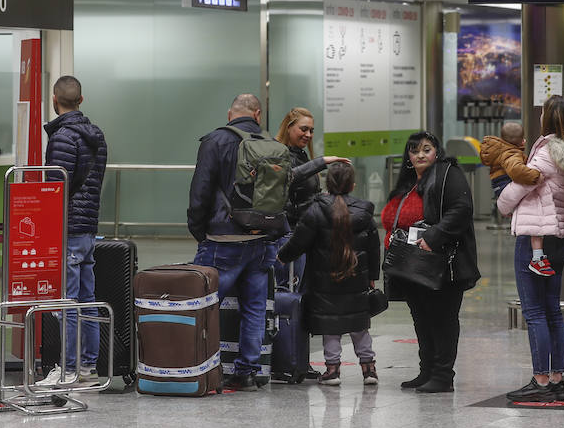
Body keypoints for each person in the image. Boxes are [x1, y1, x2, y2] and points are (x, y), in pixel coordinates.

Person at [498, 96, 564, 403]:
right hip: (559, 239)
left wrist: (502, 201)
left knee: (534, 312)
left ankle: (541, 381)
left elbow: (515, 192)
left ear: (550, 118)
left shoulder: (547, 152)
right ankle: (557, 379)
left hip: (536, 239)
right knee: (552, 310)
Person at [187, 93, 281, 392]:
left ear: (231, 114)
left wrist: (199, 229)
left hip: (222, 237)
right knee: (254, 307)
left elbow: (200, 190)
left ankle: (197, 367)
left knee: (203, 304)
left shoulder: (215, 141)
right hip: (261, 237)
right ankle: (247, 370)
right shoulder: (272, 145)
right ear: (258, 115)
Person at [380, 131, 480, 393]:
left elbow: (461, 209)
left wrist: (434, 237)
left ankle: (443, 375)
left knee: (442, 319)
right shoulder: (409, 181)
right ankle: (426, 371)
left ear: (437, 152)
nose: (421, 155)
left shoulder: (448, 173)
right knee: (422, 318)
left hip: (443, 264)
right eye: (415, 151)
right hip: (413, 265)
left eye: (426, 149)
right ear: (408, 157)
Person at [276, 161, 380, 387]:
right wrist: (372, 274)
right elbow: (373, 247)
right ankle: (369, 368)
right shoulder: (364, 213)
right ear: (353, 185)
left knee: (330, 326)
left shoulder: (315, 210)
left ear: (326, 184)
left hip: (325, 281)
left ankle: (332, 370)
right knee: (359, 324)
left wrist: (282, 256)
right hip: (356, 277)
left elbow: (299, 241)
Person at [37, 75, 109, 386]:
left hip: (67, 227)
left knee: (66, 302)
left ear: (55, 100)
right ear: (81, 100)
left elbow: (56, 188)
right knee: (87, 298)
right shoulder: (97, 135)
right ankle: (88, 367)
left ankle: (65, 369)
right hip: (88, 226)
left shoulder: (62, 138)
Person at [479, 121, 541, 201]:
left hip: (499, 184)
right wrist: (535, 176)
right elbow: (516, 170)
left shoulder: (502, 150)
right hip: (505, 183)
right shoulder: (511, 153)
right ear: (522, 141)